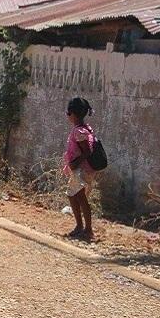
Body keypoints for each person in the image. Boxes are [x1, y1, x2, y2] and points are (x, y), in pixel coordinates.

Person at [63, 97, 96, 240]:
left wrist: (75, 162)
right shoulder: (84, 129)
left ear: (73, 114)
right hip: (81, 169)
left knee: (79, 198)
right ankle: (80, 227)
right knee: (73, 195)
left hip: (81, 170)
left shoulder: (79, 132)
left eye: (68, 113)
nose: (67, 116)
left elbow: (87, 151)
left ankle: (87, 229)